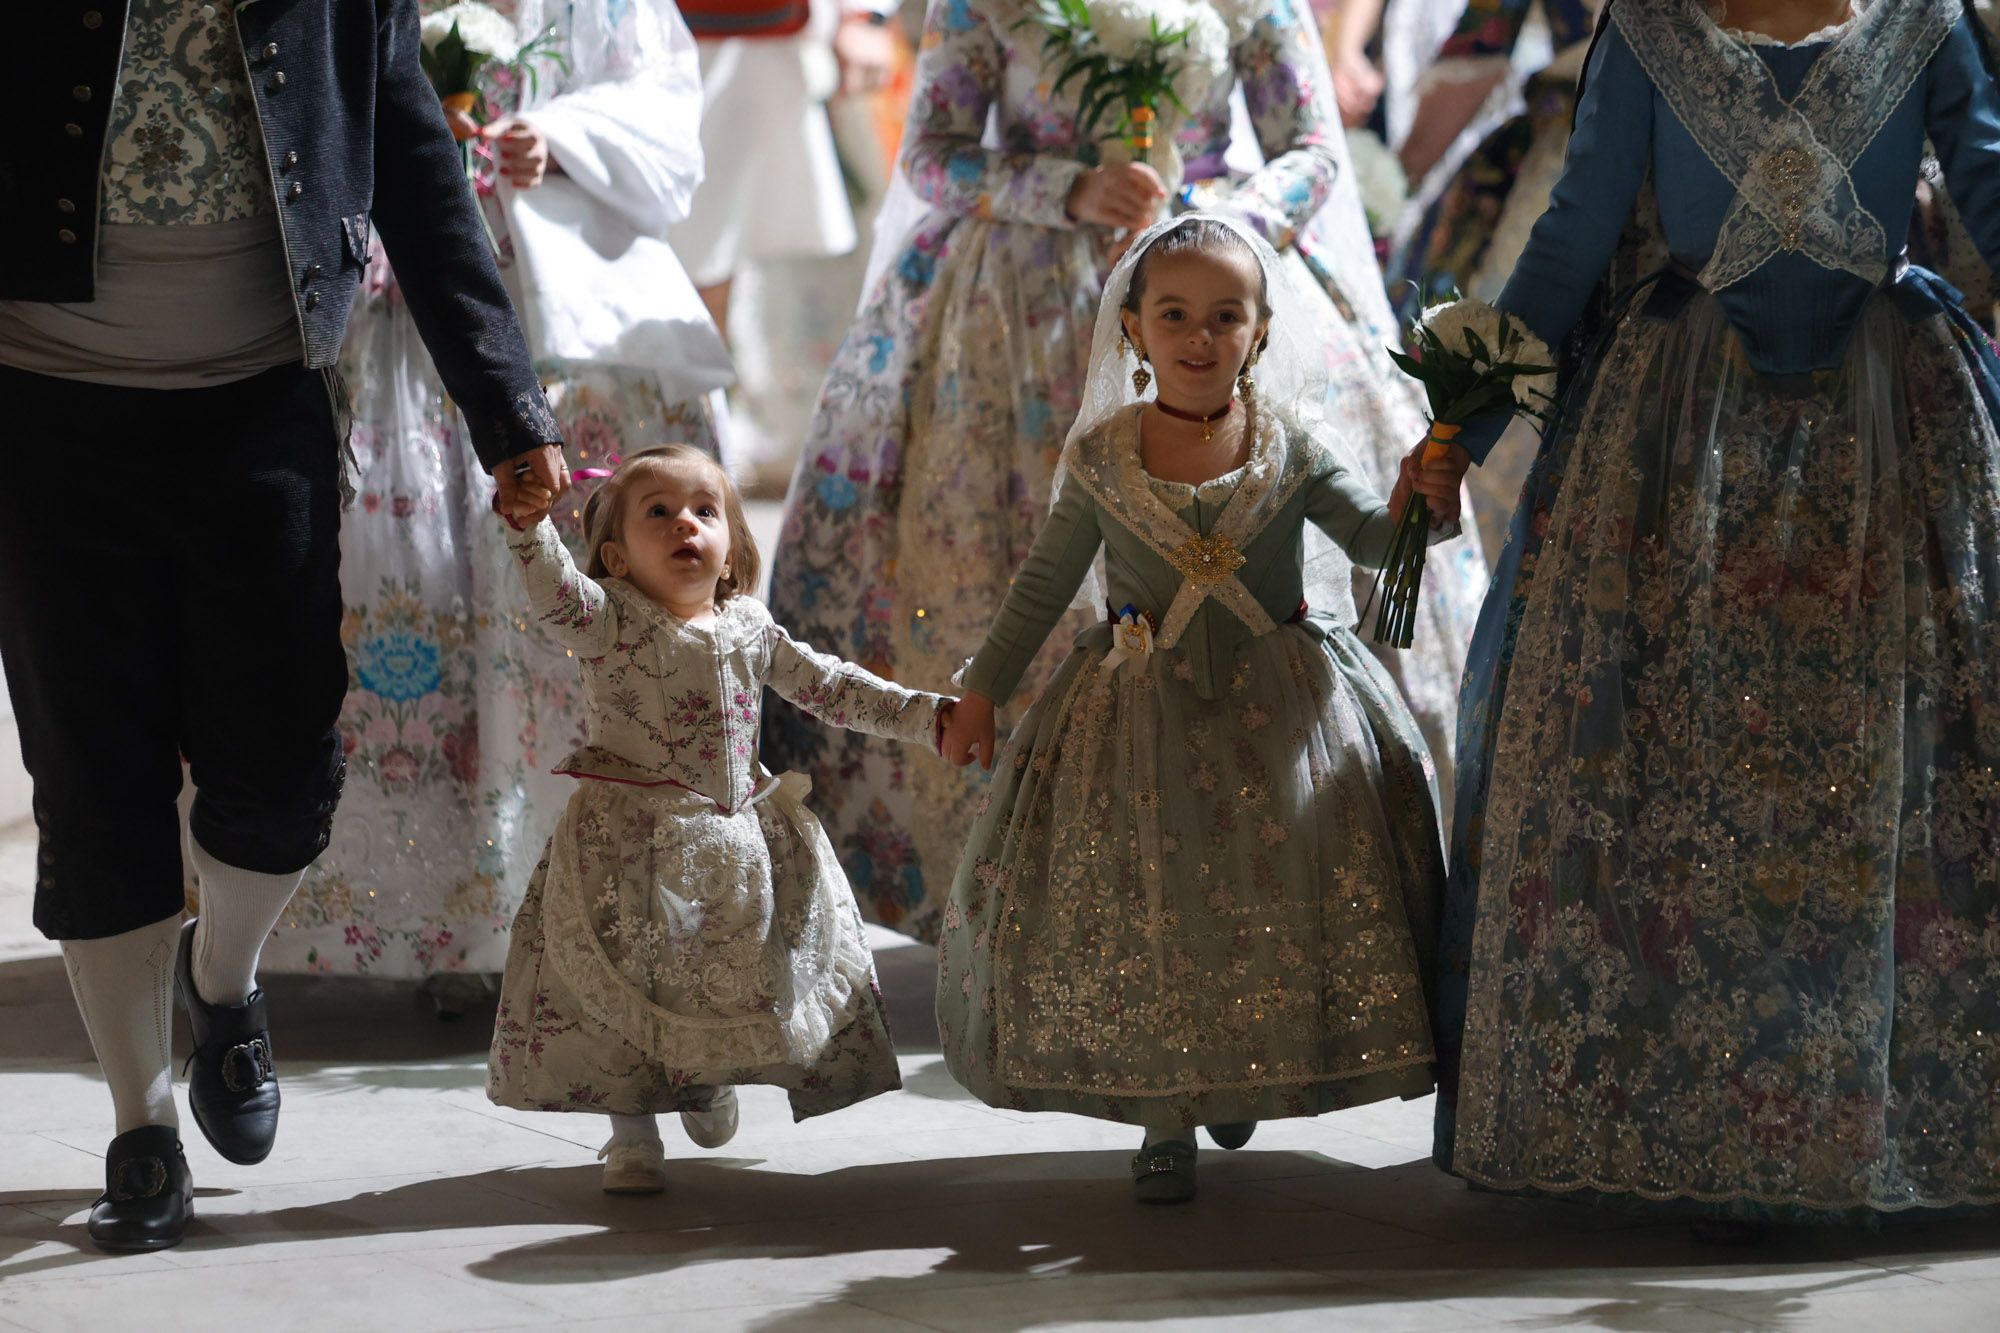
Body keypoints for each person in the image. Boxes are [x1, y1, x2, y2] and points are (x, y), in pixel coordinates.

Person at [0, 0, 567, 1251]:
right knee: (92, 775)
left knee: (280, 762)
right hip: (42, 409)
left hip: (258, 399)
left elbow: (413, 161)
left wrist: (506, 406)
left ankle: (224, 978)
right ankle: (141, 1125)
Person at [1433, 0, 2000, 1240]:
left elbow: (1991, 197)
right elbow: (1570, 237)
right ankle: (1699, 1114)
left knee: (1887, 755)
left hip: (1894, 429)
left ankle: (1888, 1109)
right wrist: (1453, 433)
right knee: (1689, 762)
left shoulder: (1920, 22)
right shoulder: (1648, 31)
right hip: (1679, 439)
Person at [764, 0, 1476, 941]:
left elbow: (1312, 149)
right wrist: (1067, 189)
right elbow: (931, 153)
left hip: (1207, 270)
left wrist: (1211, 234)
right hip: (1017, 308)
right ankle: (1030, 894)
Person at [935, 215, 1459, 1203]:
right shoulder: (1102, 457)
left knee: (1264, 889)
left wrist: (1419, 505)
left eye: (1226, 315)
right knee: (1158, 898)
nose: (1199, 336)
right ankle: (1165, 1108)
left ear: (1260, 331)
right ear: (1132, 328)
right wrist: (982, 689)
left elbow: (1370, 542)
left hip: (1282, 713)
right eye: (1173, 314)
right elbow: (1045, 582)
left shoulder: (1292, 446)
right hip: (1140, 718)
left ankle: (1243, 1054)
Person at [266, 0, 731, 999]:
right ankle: (423, 906)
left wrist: (557, 137)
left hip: (556, 309)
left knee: (562, 615)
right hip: (395, 296)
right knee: (400, 585)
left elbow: (667, 109)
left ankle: (551, 898)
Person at [485, 448, 953, 1194]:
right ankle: (631, 1132)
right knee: (625, 983)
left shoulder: (750, 627)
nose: (686, 525)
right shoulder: (610, 620)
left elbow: (832, 688)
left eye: (705, 512)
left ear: (730, 549)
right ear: (617, 556)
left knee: (725, 975)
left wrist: (930, 718)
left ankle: (702, 1080)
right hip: (628, 845)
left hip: (735, 843)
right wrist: (530, 530)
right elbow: (556, 595)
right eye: (660, 512)